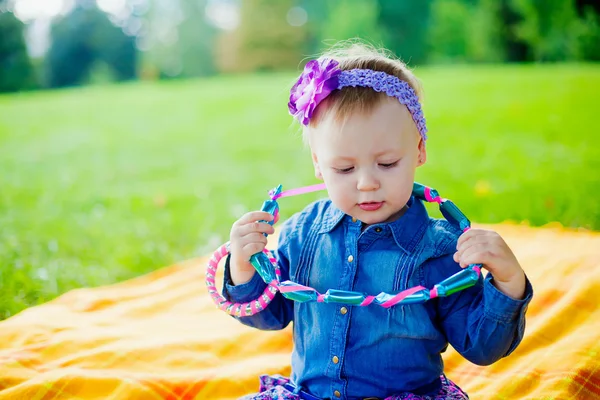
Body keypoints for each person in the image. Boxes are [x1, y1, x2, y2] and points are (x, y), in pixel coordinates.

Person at [222, 42, 533, 400]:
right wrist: (243, 267)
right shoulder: (302, 234)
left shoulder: (443, 251)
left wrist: (508, 282)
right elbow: (269, 314)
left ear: (418, 150)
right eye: (344, 168)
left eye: (386, 164)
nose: (366, 182)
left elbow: (482, 347)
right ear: (318, 164)